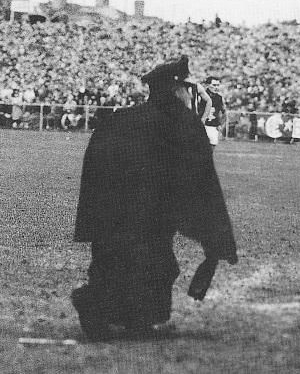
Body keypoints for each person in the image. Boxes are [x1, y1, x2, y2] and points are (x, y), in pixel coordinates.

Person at [72, 55, 238, 341]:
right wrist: (215, 240)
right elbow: (201, 182)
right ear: (176, 89)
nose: (190, 94)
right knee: (156, 264)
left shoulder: (119, 120)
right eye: (188, 89)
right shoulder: (184, 124)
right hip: (153, 212)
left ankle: (103, 308)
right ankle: (129, 316)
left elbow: (94, 168)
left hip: (112, 208)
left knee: (113, 259)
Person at [200, 76, 227, 150]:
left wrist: (221, 125)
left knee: (211, 150)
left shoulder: (219, 98)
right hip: (202, 125)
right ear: (207, 85)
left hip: (213, 127)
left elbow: (224, 112)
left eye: (218, 85)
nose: (216, 87)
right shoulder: (200, 96)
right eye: (214, 85)